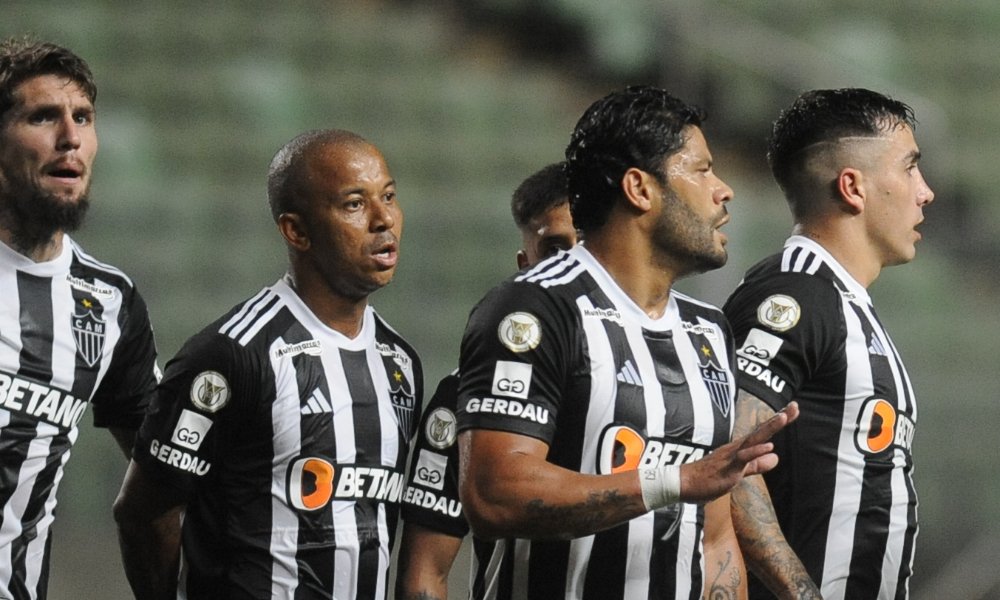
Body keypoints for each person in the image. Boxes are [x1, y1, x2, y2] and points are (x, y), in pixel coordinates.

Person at [455, 85, 799, 600]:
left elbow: (714, 538)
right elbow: (493, 493)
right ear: (640, 189)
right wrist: (671, 481)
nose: (723, 189)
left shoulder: (708, 333)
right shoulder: (536, 309)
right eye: (702, 170)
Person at [113, 129, 422, 599]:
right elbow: (143, 510)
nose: (385, 220)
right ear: (296, 231)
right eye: (355, 204)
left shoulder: (400, 362)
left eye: (390, 196)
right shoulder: (232, 355)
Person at [723, 88, 934, 599]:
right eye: (909, 168)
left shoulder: (844, 300)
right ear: (852, 187)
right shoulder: (793, 294)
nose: (925, 191)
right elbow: (727, 459)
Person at [0, 37, 160, 600]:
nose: (70, 137)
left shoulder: (109, 301)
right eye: (44, 117)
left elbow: (163, 469)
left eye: (84, 117)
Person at [395, 162, 577, 600]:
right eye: (554, 247)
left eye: (587, 244)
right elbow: (425, 575)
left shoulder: (667, 374)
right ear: (524, 264)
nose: (572, 264)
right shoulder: (462, 398)